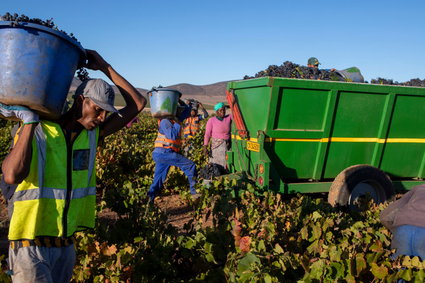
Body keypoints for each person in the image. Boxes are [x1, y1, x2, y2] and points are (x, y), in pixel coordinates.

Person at [0, 49, 146, 283]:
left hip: (65, 245)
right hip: (29, 245)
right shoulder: (37, 129)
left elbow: (138, 103)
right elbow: (11, 175)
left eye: (104, 113)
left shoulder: (90, 136)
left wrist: (105, 67)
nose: (100, 118)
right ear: (81, 101)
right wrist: (28, 123)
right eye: (97, 110)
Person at [147, 96, 199, 203]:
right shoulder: (165, 121)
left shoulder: (175, 119)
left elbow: (187, 111)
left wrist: (180, 100)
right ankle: (194, 192)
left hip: (163, 154)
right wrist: (177, 123)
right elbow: (172, 136)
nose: (181, 112)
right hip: (165, 153)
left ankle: (148, 201)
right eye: (179, 110)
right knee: (190, 166)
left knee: (158, 180)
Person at [380, 184, 425, 260]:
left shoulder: (419, 188)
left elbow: (390, 211)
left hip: (403, 228)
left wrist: (393, 229)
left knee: (399, 263)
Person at [203, 102, 232, 170]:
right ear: (216, 112)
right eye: (220, 110)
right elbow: (207, 134)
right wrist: (205, 146)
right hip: (216, 146)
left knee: (226, 164)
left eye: (224, 110)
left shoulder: (228, 117)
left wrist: (231, 105)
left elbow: (235, 113)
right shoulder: (212, 120)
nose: (223, 112)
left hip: (227, 145)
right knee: (216, 165)